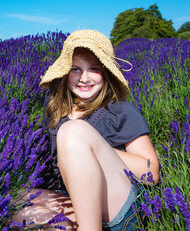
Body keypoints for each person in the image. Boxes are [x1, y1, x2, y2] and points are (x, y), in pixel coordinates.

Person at [12, 30, 160, 230]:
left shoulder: (119, 110)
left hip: (120, 210)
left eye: (94, 69)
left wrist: (93, 149)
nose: (84, 78)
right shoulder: (55, 107)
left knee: (73, 131)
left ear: (106, 73)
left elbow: (151, 171)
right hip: (80, 202)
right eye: (75, 69)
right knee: (10, 202)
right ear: (65, 73)